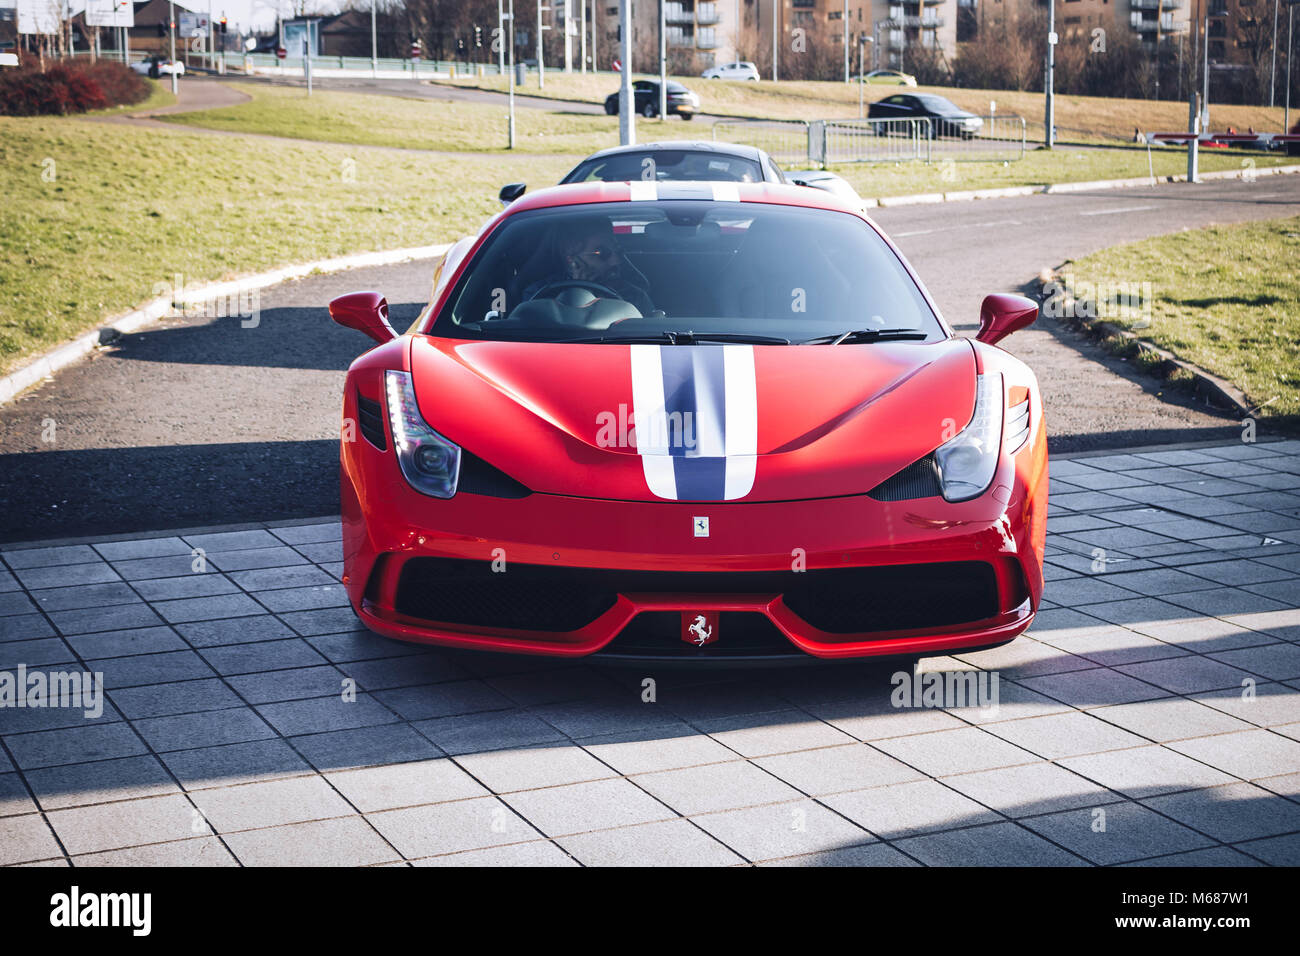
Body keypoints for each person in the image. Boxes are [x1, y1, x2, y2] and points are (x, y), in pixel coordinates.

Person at [523, 218, 655, 316]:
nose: (616, 261)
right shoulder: (538, 295)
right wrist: (578, 292)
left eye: (618, 250)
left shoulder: (633, 295)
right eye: (602, 253)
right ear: (572, 259)